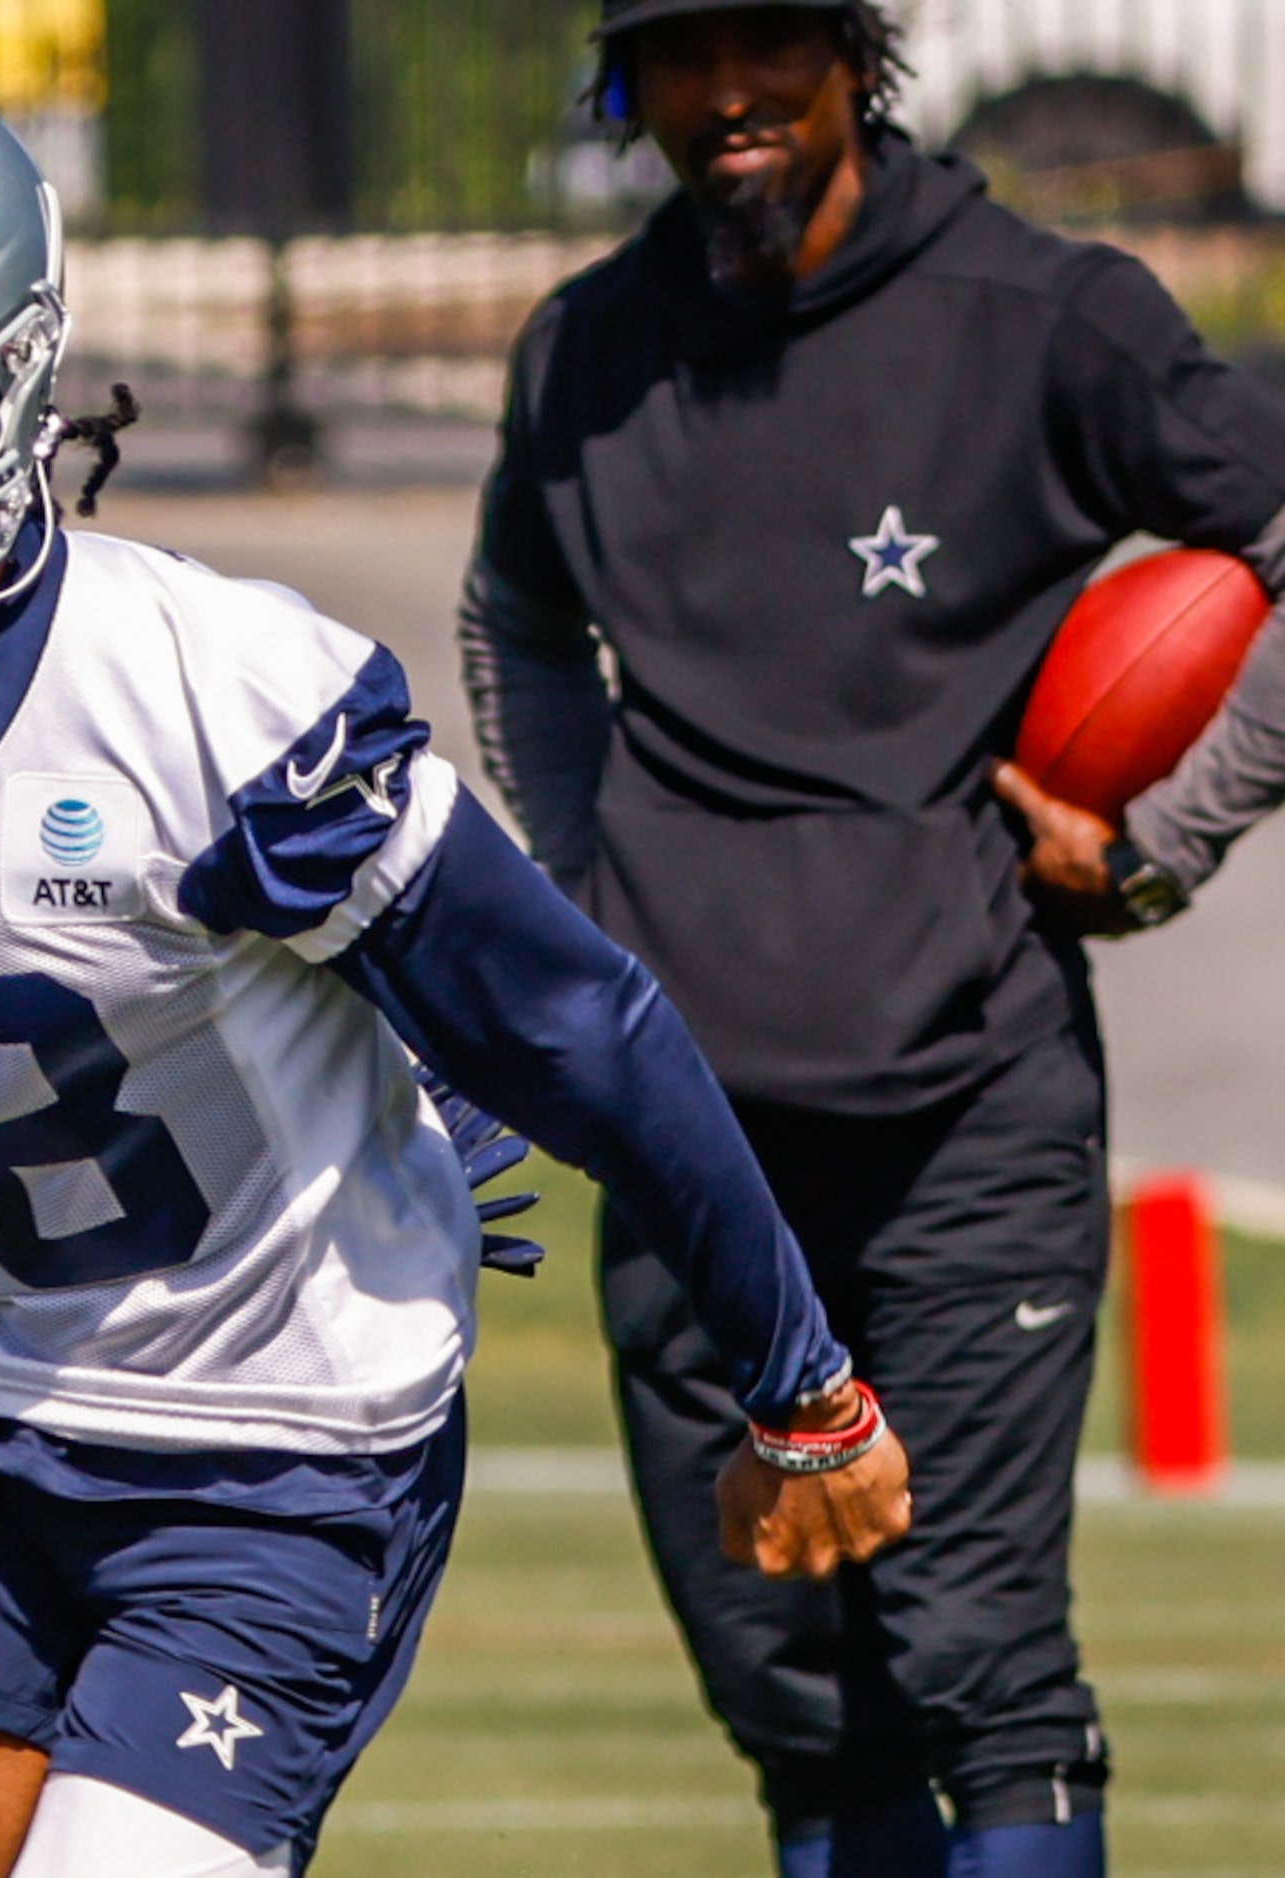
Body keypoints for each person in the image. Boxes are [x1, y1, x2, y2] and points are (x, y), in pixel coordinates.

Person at [0, 56, 909, 1878]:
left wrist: (801, 1379)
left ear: (9, 391)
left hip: (279, 1454)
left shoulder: (206, 699)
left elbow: (574, 1026)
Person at [460, 4, 1285, 1874]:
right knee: (797, 1706)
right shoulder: (585, 349)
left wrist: (1167, 841)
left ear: (857, 56)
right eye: (680, 54)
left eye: (770, 43)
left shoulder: (1043, 317)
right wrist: (593, 888)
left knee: (981, 1673)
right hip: (688, 1145)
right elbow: (515, 617)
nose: (727, 94)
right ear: (629, 83)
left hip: (965, 1114)